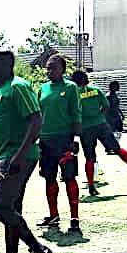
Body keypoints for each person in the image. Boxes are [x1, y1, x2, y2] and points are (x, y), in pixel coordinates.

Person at [0, 50, 52, 253]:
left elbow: (36, 120)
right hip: (7, 155)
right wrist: (0, 160)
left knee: (1, 208)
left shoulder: (18, 87)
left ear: (5, 66)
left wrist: (19, 156)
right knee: (12, 210)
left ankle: (37, 249)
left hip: (19, 156)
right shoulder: (1, 90)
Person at [71, 70, 127, 198]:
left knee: (90, 158)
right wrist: (99, 116)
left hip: (85, 129)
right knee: (117, 149)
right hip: (101, 125)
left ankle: (91, 185)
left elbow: (72, 112)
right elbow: (106, 106)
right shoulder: (96, 90)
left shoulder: (74, 95)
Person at [37, 55, 83, 235]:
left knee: (69, 178)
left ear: (62, 69)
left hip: (65, 141)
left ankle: (74, 218)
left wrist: (75, 140)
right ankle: (53, 215)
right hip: (45, 141)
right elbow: (38, 115)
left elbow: (76, 114)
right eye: (48, 68)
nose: (49, 71)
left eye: (53, 68)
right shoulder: (42, 89)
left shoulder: (71, 88)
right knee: (49, 178)